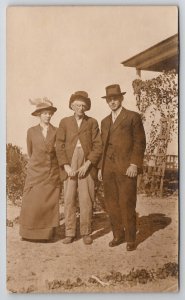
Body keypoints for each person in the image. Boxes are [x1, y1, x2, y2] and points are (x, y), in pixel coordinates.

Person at [98, 84, 146, 251]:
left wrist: (134, 164)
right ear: (107, 102)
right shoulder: (104, 122)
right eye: (109, 99)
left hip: (126, 168)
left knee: (127, 202)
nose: (112, 102)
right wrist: (100, 168)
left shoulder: (132, 117)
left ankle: (131, 238)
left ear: (121, 99)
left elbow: (140, 142)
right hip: (108, 169)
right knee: (111, 203)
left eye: (115, 98)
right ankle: (118, 235)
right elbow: (102, 146)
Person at [56, 91, 102, 245]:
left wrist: (88, 164)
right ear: (71, 106)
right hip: (69, 162)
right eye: (77, 105)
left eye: (83, 105)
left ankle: (86, 232)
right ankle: (69, 232)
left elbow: (98, 146)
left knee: (86, 199)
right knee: (69, 199)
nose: (80, 108)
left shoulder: (92, 122)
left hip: (87, 163)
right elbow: (59, 145)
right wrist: (66, 165)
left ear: (87, 107)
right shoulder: (64, 122)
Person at [19, 98, 60, 242]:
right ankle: (28, 233)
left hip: (51, 172)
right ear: (39, 115)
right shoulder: (31, 131)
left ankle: (46, 235)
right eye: (45, 114)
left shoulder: (56, 131)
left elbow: (58, 152)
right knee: (33, 202)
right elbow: (31, 152)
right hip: (35, 172)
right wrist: (36, 165)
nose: (48, 116)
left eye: (49, 113)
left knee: (48, 203)